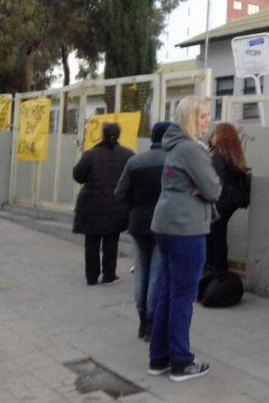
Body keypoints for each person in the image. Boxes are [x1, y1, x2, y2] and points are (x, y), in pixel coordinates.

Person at [148, 96, 221, 382]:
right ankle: (181, 361)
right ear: (190, 118)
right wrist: (204, 189)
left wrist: (200, 188)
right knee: (182, 296)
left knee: (167, 292)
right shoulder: (191, 149)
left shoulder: (174, 144)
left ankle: (159, 357)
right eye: (202, 116)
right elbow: (214, 189)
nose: (207, 121)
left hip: (166, 225)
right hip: (186, 228)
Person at [114, 121, 172, 342]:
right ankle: (150, 322)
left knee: (141, 272)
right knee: (157, 273)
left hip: (137, 223)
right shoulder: (173, 161)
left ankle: (141, 319)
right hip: (163, 223)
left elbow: (120, 193)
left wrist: (133, 209)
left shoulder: (134, 161)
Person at [72, 122, 134, 286]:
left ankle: (91, 277)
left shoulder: (91, 154)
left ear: (102, 135)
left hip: (91, 204)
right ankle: (109, 275)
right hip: (116, 204)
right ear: (118, 135)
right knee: (111, 239)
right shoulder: (127, 155)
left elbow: (78, 176)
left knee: (91, 241)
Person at [206, 122, 250, 273]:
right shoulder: (234, 154)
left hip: (221, 200)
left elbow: (216, 179)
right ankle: (220, 271)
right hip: (232, 201)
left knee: (214, 235)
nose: (212, 137)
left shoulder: (218, 154)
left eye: (215, 134)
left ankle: (216, 270)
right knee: (219, 233)